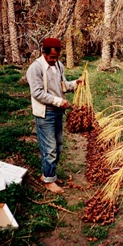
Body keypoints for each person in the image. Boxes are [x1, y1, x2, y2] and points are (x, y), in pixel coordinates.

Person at [26, 37, 82, 194]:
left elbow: (62, 85)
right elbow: (37, 93)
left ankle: (49, 175)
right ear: (43, 53)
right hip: (45, 114)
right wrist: (58, 101)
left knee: (58, 146)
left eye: (56, 57)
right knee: (49, 148)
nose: (54, 60)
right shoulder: (35, 68)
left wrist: (75, 84)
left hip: (57, 112)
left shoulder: (58, 65)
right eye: (51, 57)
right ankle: (49, 180)